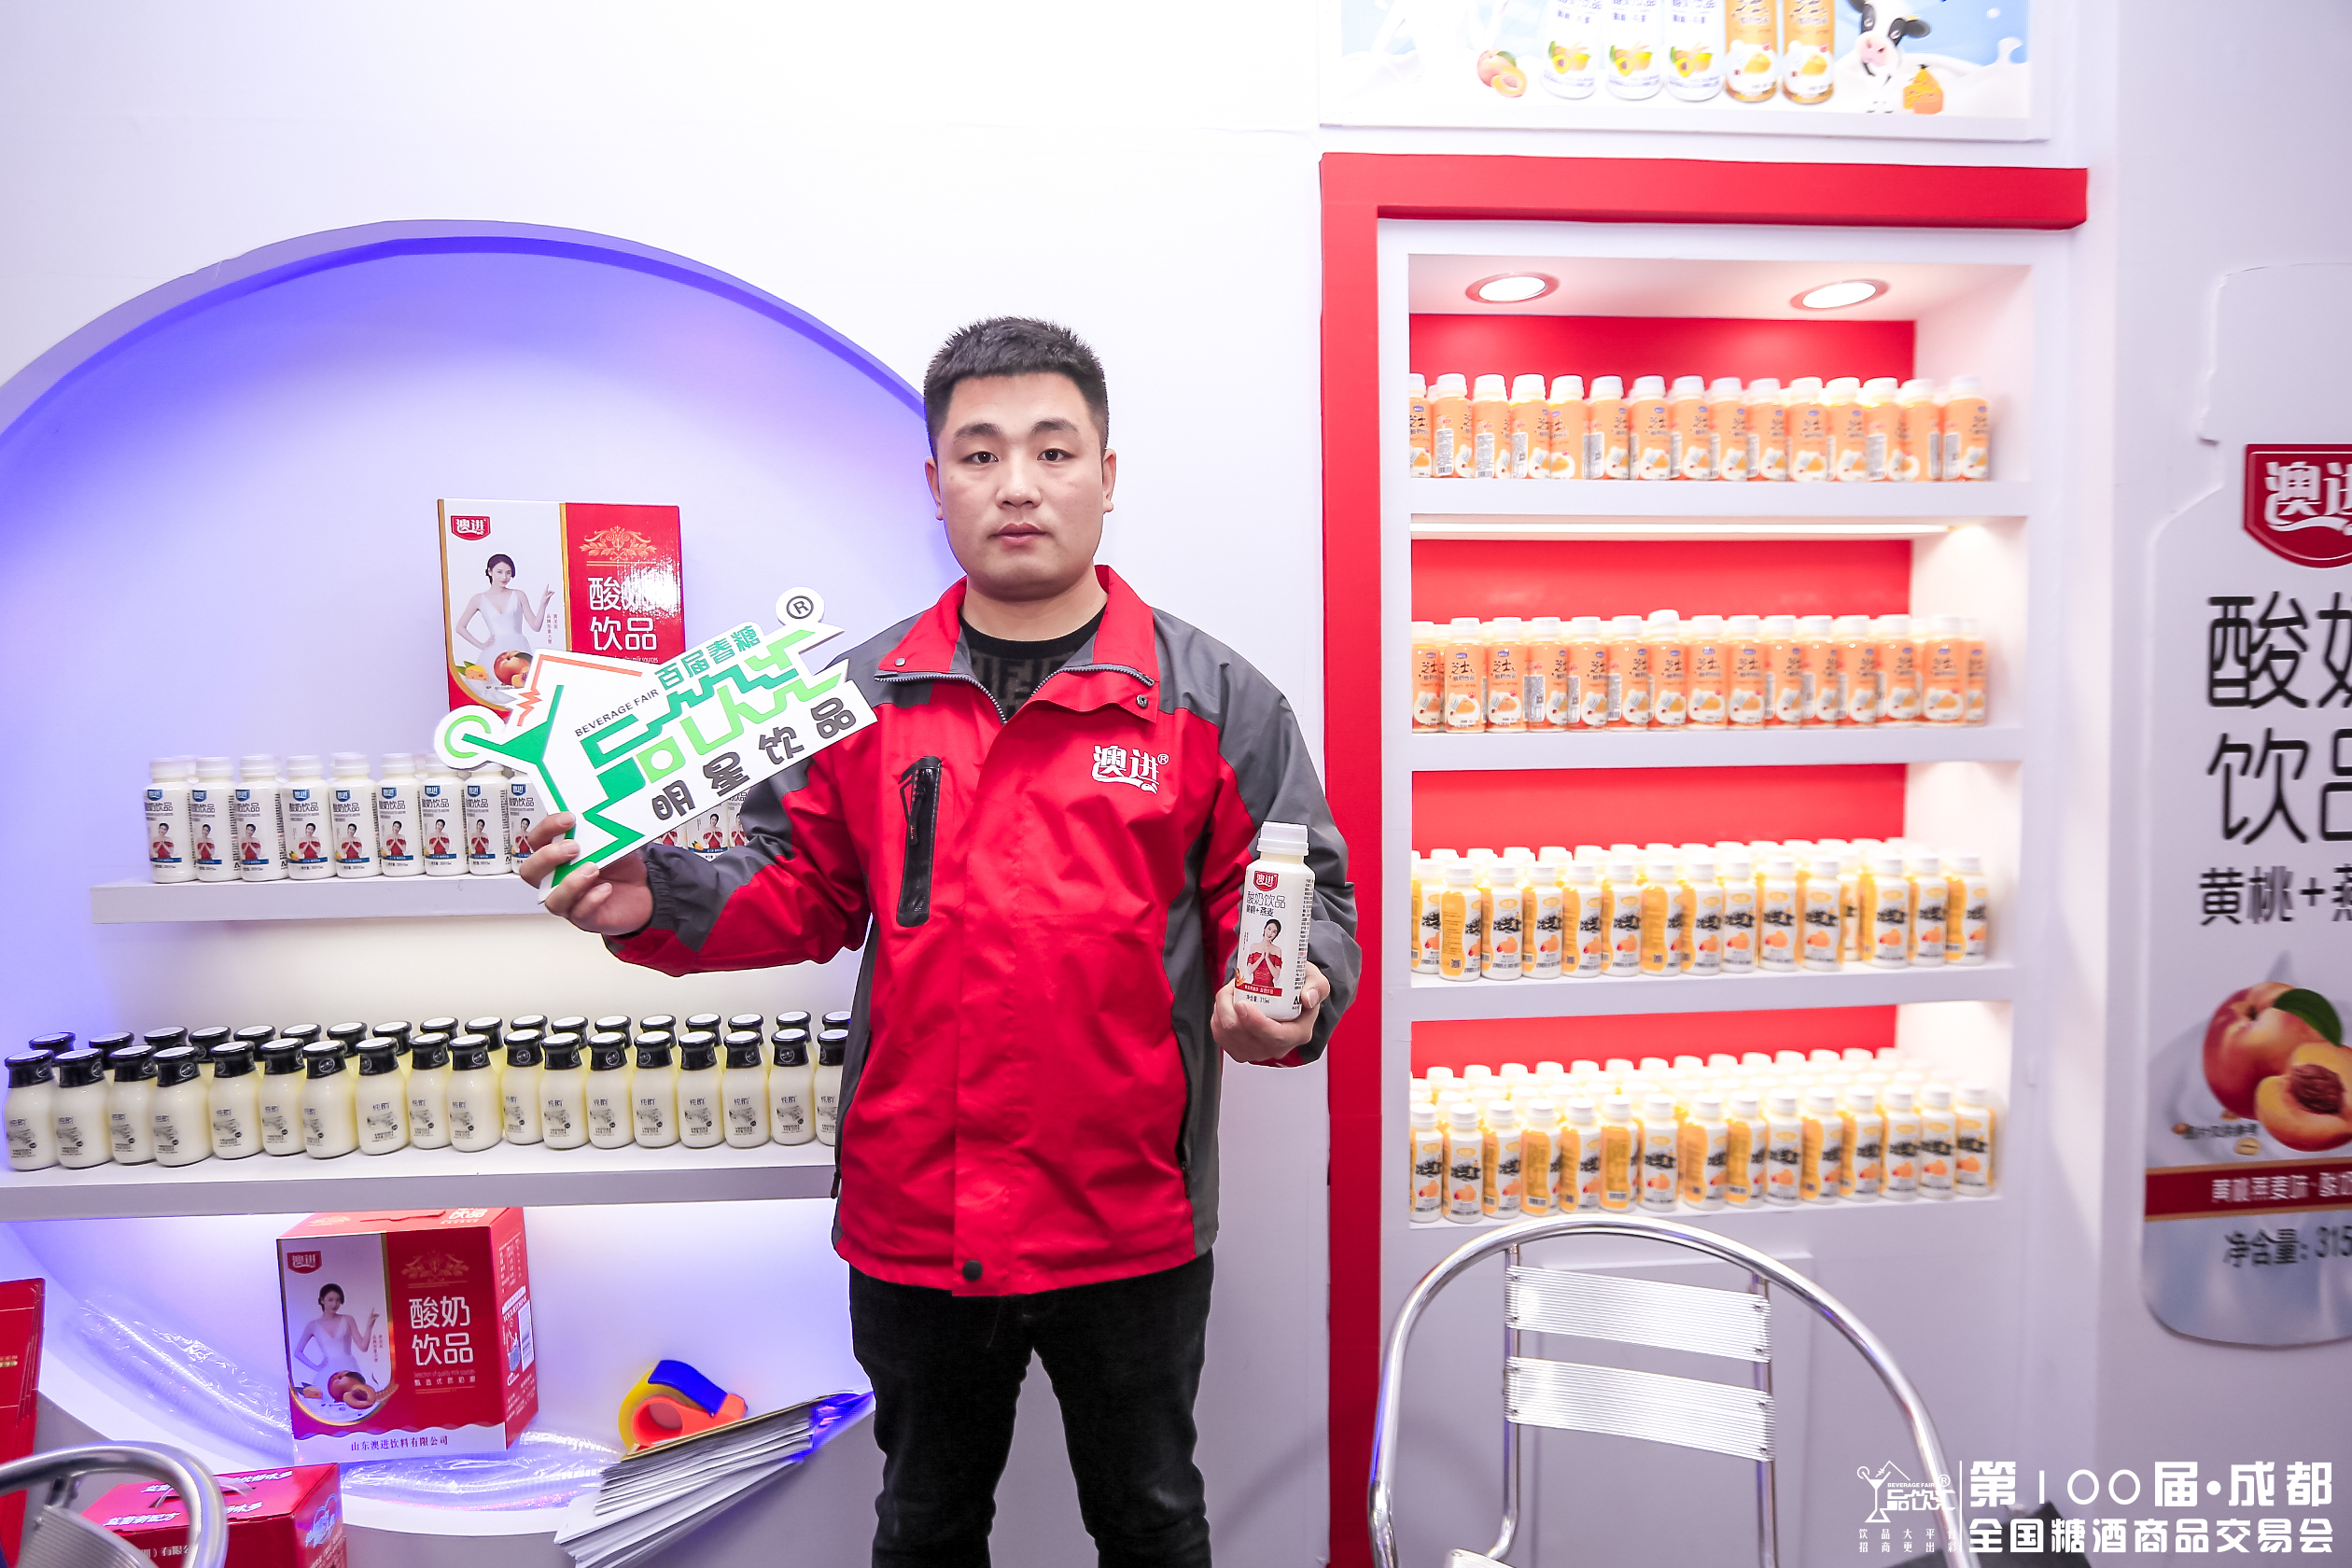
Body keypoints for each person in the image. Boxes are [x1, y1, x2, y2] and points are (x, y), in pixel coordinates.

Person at [520, 317, 1358, 1568]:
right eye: (979, 454)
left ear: (1108, 475)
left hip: (1127, 1214)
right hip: (917, 1211)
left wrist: (1288, 1000)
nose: (1017, 484)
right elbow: (797, 883)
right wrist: (657, 900)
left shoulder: (1213, 701)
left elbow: (1298, 897)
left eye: (1052, 451)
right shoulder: (861, 696)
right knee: (922, 1527)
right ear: (935, 483)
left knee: (1151, 1521)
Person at [455, 552, 553, 676]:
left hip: (518, 650)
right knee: (492, 683)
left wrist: (543, 605)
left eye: (508, 573)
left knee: (520, 680)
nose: (504, 577)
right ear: (490, 572)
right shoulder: (478, 599)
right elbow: (460, 627)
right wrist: (481, 645)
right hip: (493, 652)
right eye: (499, 572)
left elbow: (535, 626)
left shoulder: (518, 595)